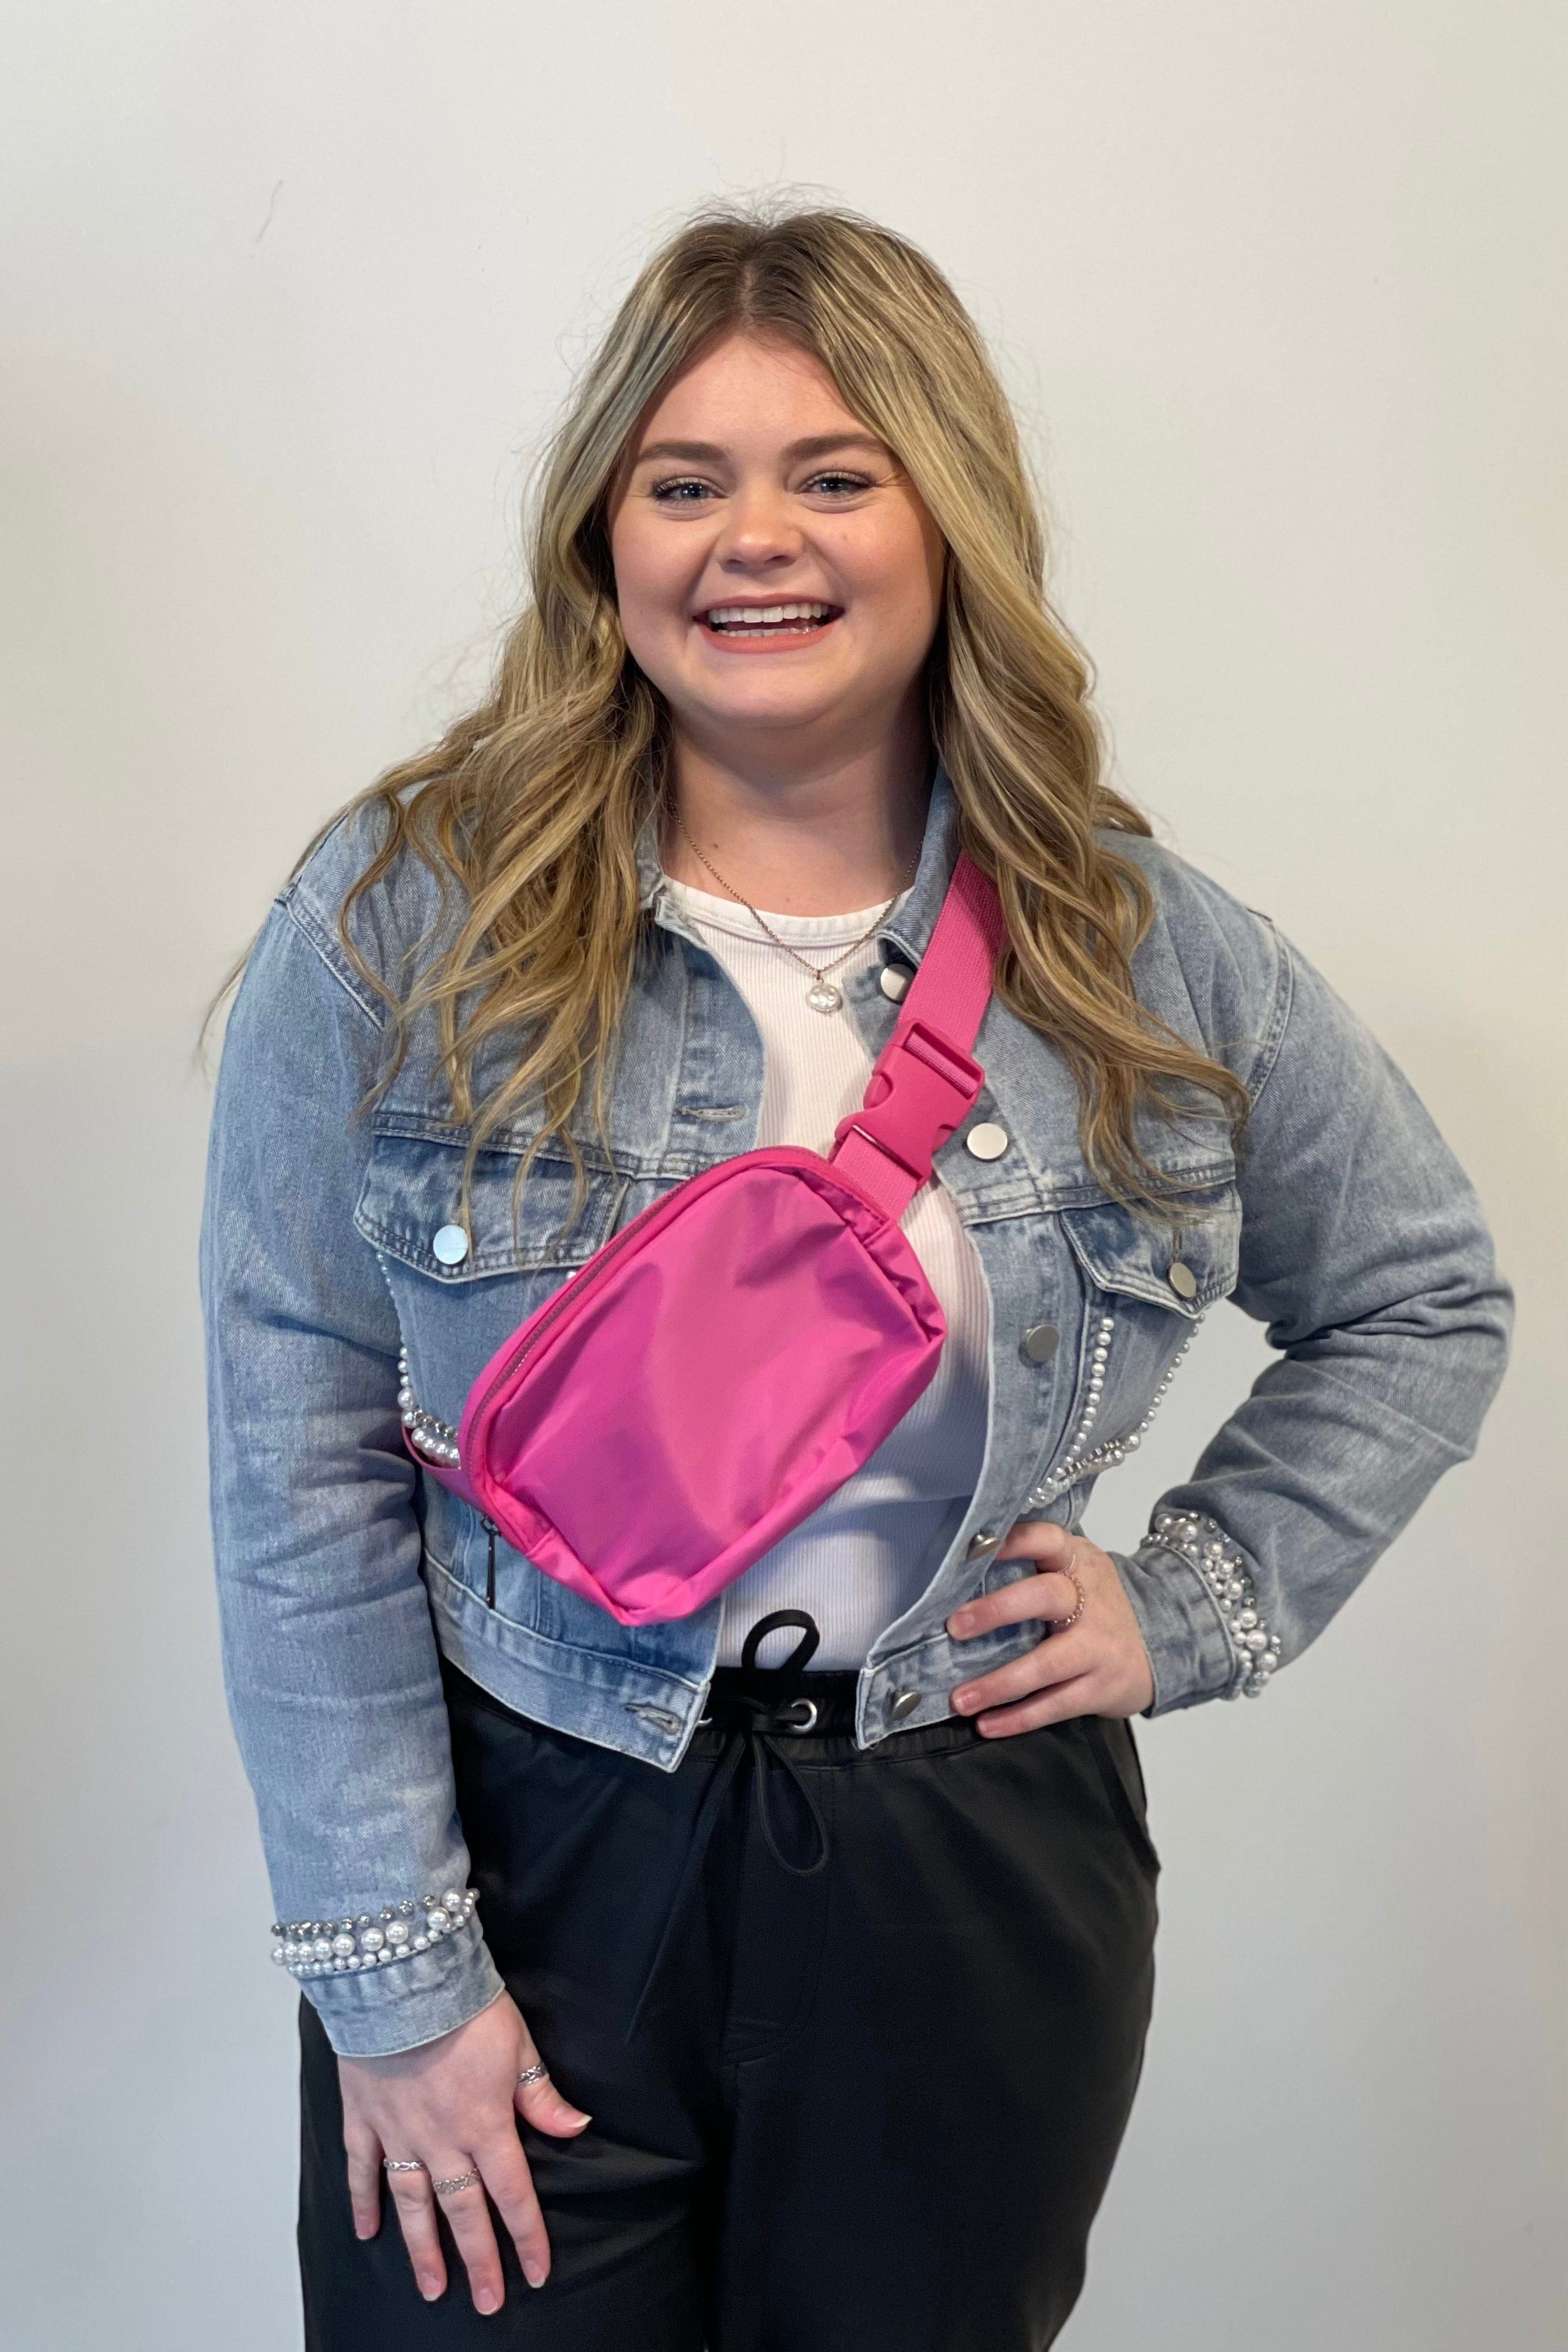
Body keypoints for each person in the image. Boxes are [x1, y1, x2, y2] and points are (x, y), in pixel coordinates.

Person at [199, 201, 1511, 2351]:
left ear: (946, 513)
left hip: (968, 1864)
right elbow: (298, 1456)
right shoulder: (404, 917)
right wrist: (392, 1975)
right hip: (539, 1856)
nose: (753, 541)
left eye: (833, 472)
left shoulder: (1144, 951)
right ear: (601, 537)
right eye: (682, 481)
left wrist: (1190, 1603)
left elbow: (1425, 1294)